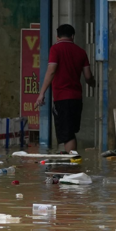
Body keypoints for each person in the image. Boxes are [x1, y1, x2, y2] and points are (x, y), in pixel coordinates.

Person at [35, 24, 95, 152]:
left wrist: (41, 93)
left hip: (62, 98)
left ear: (57, 36)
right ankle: (71, 162)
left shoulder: (55, 49)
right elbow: (88, 76)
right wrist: (94, 84)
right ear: (73, 36)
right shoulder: (81, 52)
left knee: (67, 135)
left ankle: (71, 165)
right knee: (71, 131)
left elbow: (51, 71)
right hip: (77, 99)